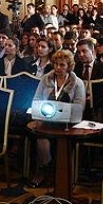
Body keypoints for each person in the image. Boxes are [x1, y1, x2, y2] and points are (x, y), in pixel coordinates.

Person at [29, 50, 86, 187]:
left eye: (62, 65)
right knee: (41, 137)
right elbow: (36, 99)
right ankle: (46, 168)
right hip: (47, 120)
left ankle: (59, 173)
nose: (58, 68)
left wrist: (62, 113)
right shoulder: (46, 79)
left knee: (60, 138)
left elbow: (79, 108)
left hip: (68, 124)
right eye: (56, 64)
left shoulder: (77, 83)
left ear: (69, 67)